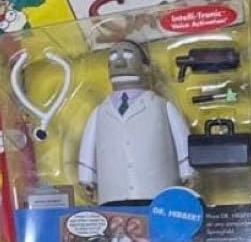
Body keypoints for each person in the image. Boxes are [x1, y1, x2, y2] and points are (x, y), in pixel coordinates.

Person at [77, 41, 193, 205]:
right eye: (113, 59)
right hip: (113, 194)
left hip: (158, 191)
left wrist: (188, 171)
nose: (119, 64)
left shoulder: (162, 107)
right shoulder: (100, 111)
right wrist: (87, 178)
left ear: (146, 68)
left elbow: (182, 139)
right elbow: (88, 146)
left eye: (128, 56)